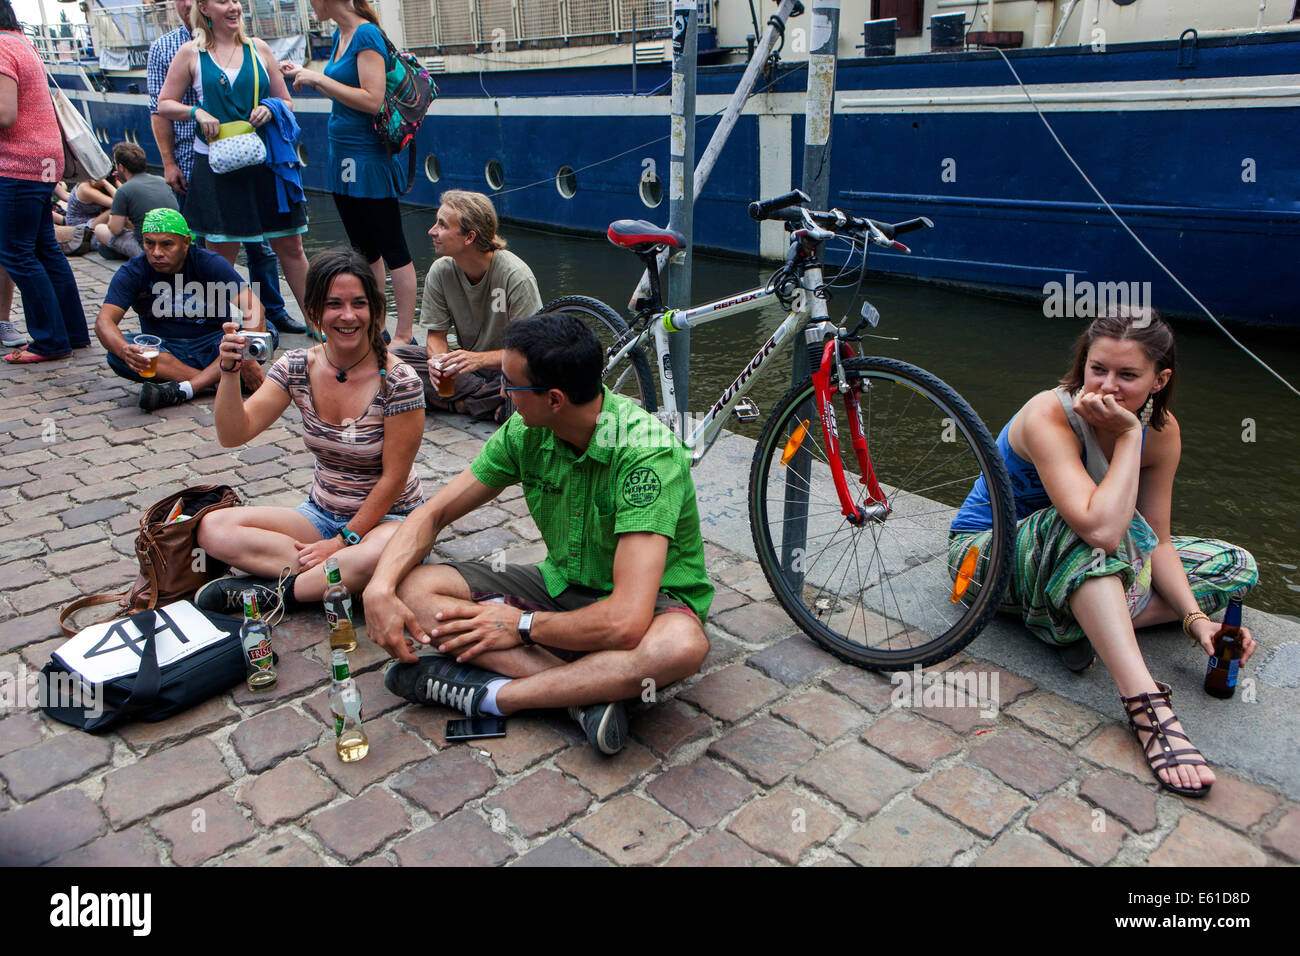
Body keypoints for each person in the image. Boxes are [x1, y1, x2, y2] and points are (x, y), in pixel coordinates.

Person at [365, 312, 712, 756]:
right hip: (563, 583)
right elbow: (432, 514)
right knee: (415, 587)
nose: (503, 392)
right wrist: (379, 587)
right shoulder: (526, 431)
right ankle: (583, 698)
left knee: (680, 647)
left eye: (511, 384)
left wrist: (520, 625)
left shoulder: (646, 456)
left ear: (553, 399)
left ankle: (495, 697)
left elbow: (626, 623)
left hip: (652, 603)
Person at [948, 307, 1258, 798]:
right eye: (1098, 369)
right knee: (1091, 530)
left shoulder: (1163, 431)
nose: (1108, 386)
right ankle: (1147, 707)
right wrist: (1130, 436)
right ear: (1083, 365)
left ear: (1160, 380)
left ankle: (1082, 619)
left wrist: (1197, 620)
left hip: (1086, 554)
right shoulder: (1048, 413)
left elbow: (1157, 538)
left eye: (1128, 375)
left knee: (1234, 565)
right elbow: (1099, 527)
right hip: (987, 558)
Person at [194, 247, 425, 616]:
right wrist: (229, 372)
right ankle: (327, 582)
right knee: (212, 529)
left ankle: (279, 592)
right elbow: (233, 434)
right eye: (334, 304)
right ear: (315, 311)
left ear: (374, 311)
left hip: (388, 520)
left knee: (370, 556)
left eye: (358, 304)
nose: (347, 316)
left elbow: (394, 479)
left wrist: (344, 541)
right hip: (321, 514)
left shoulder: (399, 381)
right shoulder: (297, 367)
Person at [147, 0, 303, 334]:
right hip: (217, 166)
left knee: (290, 246)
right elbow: (163, 104)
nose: (234, 7)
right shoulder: (190, 53)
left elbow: (286, 99)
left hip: (264, 161)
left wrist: (272, 108)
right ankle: (216, 331)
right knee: (219, 254)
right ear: (205, 8)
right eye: (224, 1)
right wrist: (196, 112)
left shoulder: (259, 48)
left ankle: (318, 325)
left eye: (236, 1)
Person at [279, 0, 417, 343]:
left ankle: (403, 335)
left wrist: (317, 80)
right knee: (363, 248)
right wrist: (303, 72)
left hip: (367, 156)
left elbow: (372, 99)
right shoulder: (342, 34)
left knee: (391, 244)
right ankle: (378, 325)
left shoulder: (365, 34)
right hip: (342, 156)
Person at [95, 207, 275, 410]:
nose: (156, 253)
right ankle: (213, 382)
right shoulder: (133, 271)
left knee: (266, 329)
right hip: (167, 352)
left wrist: (248, 357)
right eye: (149, 243)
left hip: (214, 347)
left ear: (186, 243)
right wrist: (124, 350)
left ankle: (188, 387)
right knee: (117, 354)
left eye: (166, 244)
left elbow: (253, 306)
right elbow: (104, 322)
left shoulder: (208, 262)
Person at [390, 190, 542, 423]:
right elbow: (436, 336)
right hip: (470, 371)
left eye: (442, 225)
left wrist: (478, 360)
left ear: (469, 237)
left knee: (533, 381)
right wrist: (439, 363)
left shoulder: (515, 276)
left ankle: (456, 402)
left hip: (507, 369)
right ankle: (480, 404)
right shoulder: (441, 271)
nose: (432, 231)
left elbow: (530, 353)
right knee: (394, 358)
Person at [0, 0, 90, 364]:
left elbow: (5, 114)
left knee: (16, 253)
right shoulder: (20, 41)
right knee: (43, 249)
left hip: (16, 164)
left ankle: (50, 340)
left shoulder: (1, 47)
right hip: (43, 161)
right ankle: (71, 331)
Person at [92, 142, 178, 260]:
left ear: (121, 167)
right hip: (173, 242)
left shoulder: (124, 190)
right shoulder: (162, 181)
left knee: (100, 230)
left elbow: (115, 229)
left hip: (148, 247)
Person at [56, 175, 116, 254]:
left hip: (94, 220)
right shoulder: (85, 188)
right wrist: (106, 183)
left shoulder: (101, 184)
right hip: (80, 228)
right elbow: (119, 203)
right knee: (115, 210)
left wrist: (115, 182)